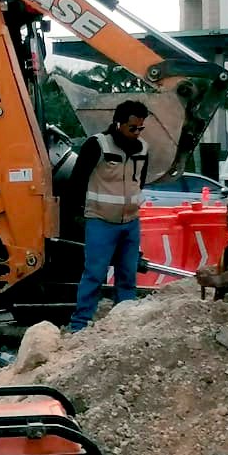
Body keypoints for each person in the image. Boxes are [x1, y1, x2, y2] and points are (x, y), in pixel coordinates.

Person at [67, 100, 150, 331]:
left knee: (127, 274)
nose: (136, 133)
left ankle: (125, 323)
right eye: (132, 128)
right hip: (101, 221)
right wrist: (76, 214)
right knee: (95, 273)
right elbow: (77, 181)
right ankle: (80, 324)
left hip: (130, 222)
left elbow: (139, 181)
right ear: (118, 123)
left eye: (140, 128)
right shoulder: (98, 145)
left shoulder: (143, 148)